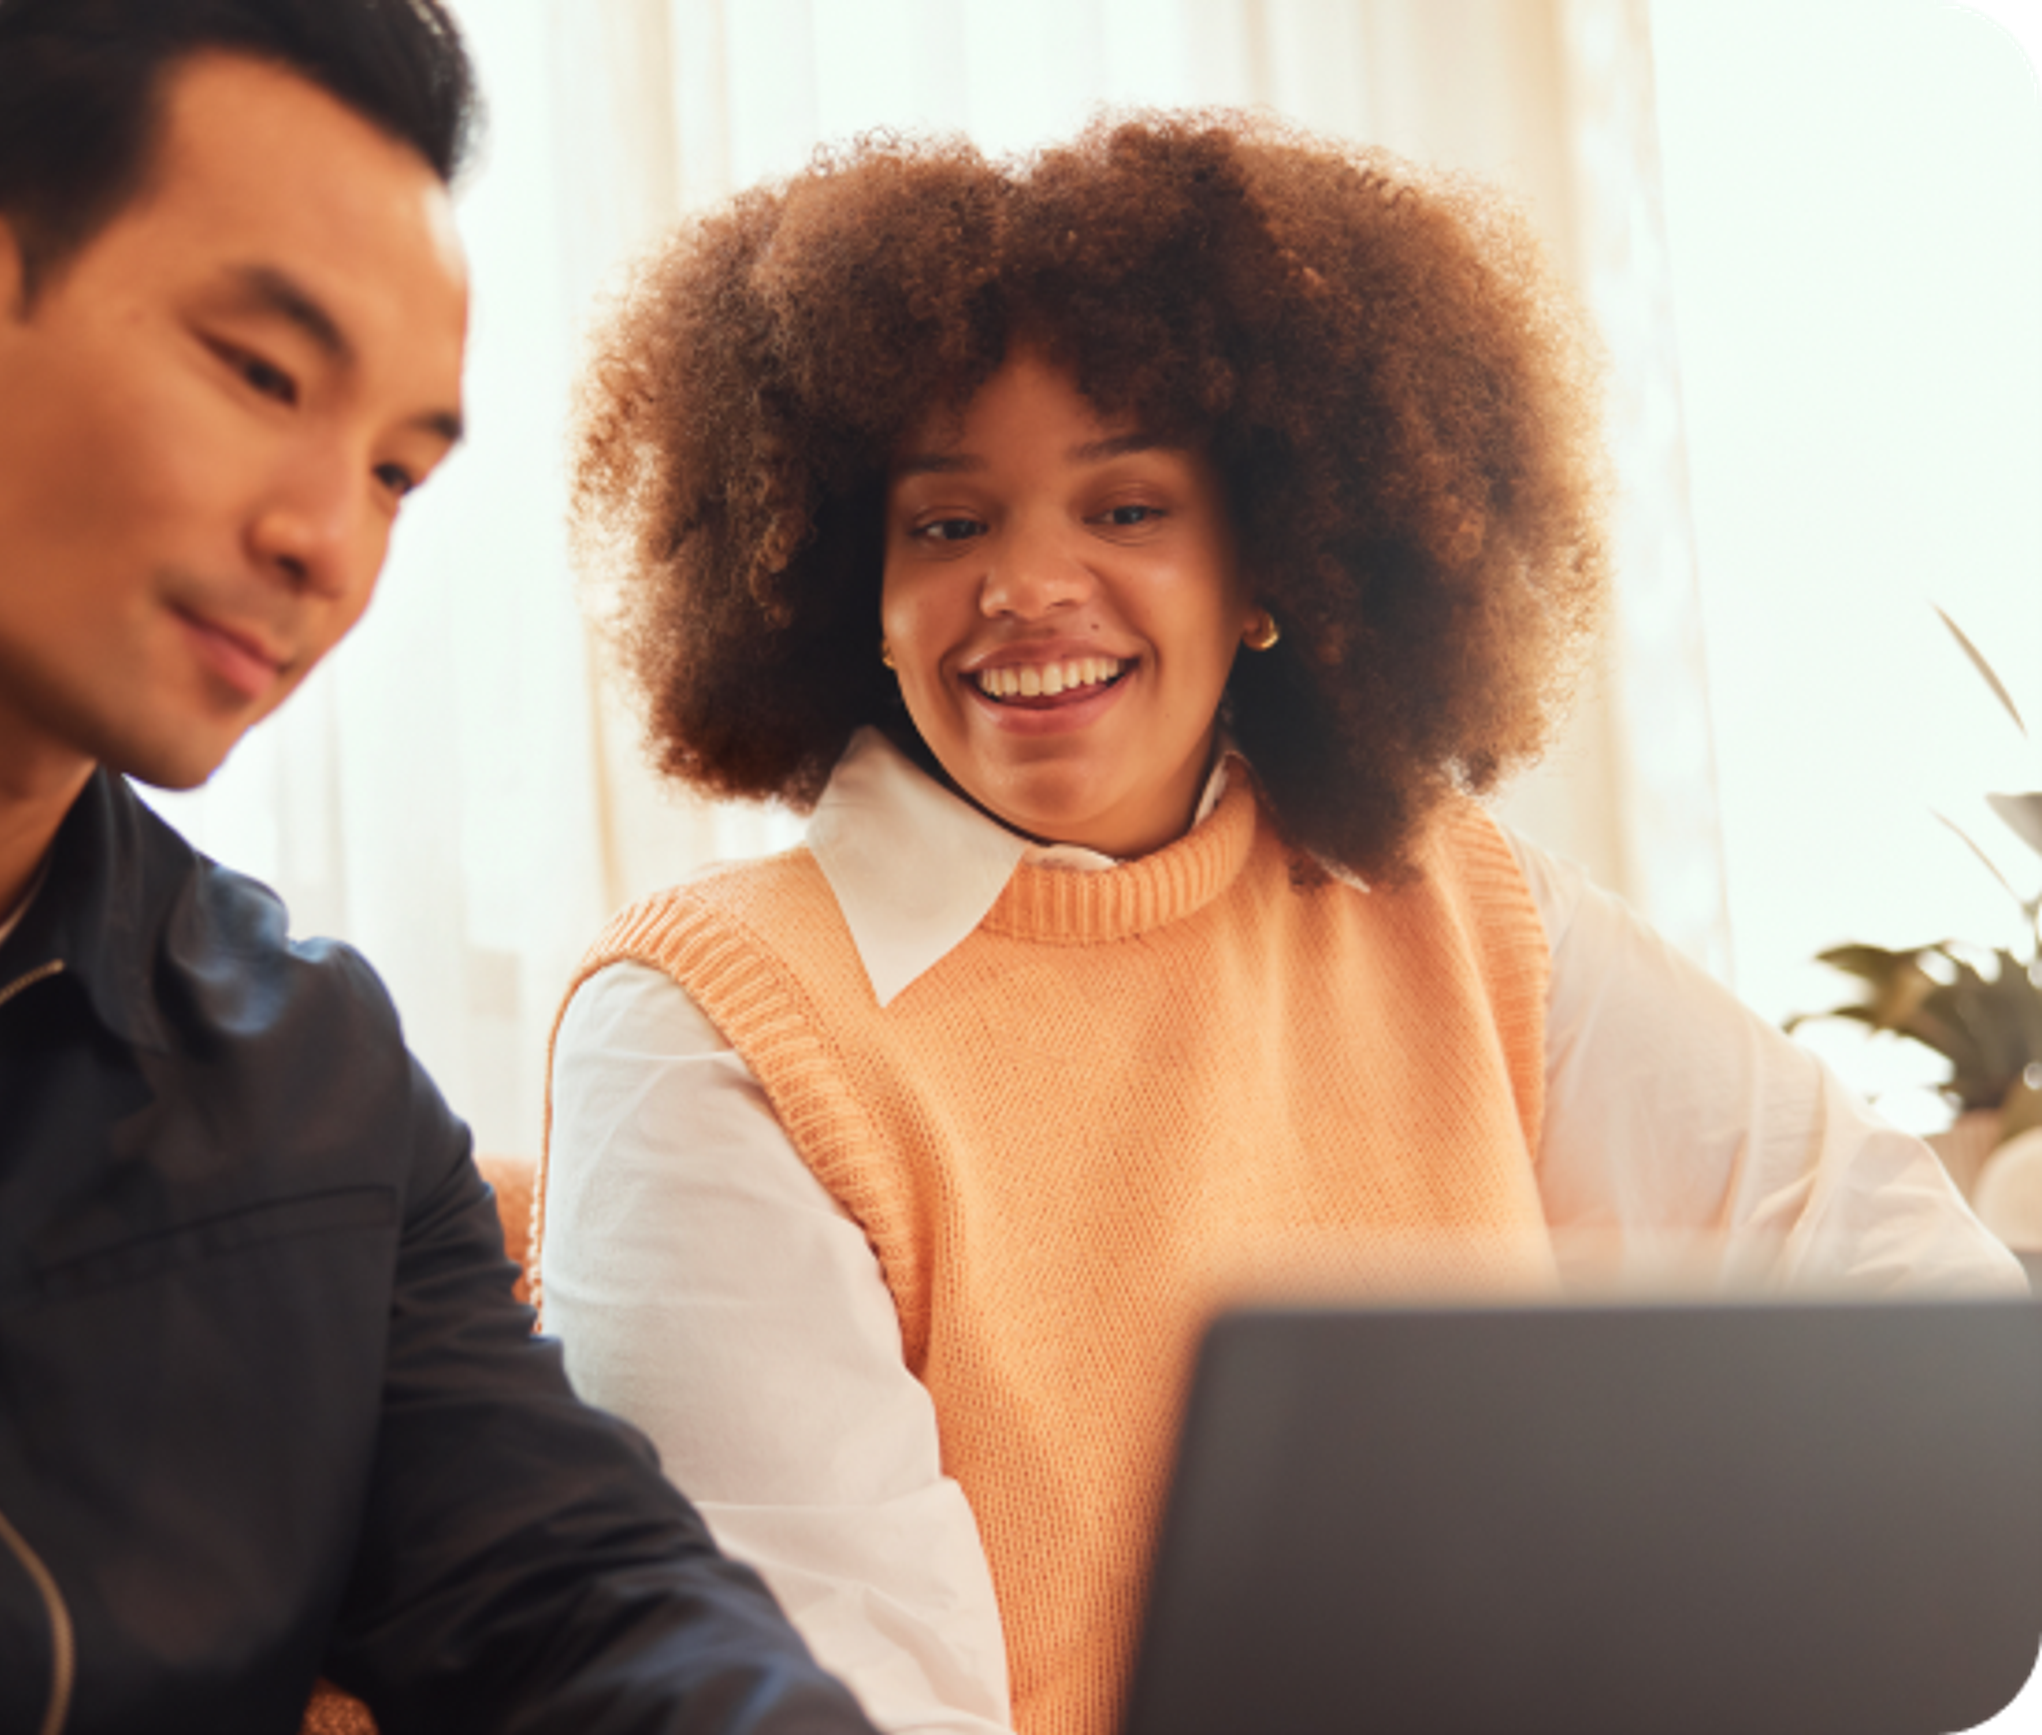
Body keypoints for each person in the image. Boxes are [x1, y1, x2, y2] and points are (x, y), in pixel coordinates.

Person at [0, 3, 880, 1732]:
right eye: (262, 376)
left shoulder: (315, 1073)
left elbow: (575, 1587)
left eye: (393, 472)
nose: (324, 542)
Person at [539, 116, 2030, 1735]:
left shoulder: (1454, 901)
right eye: (949, 524)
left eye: (1125, 510)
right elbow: (827, 1695)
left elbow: (1896, 1288)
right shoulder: (711, 1026)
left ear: (1268, 559)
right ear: (851, 590)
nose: (1030, 586)